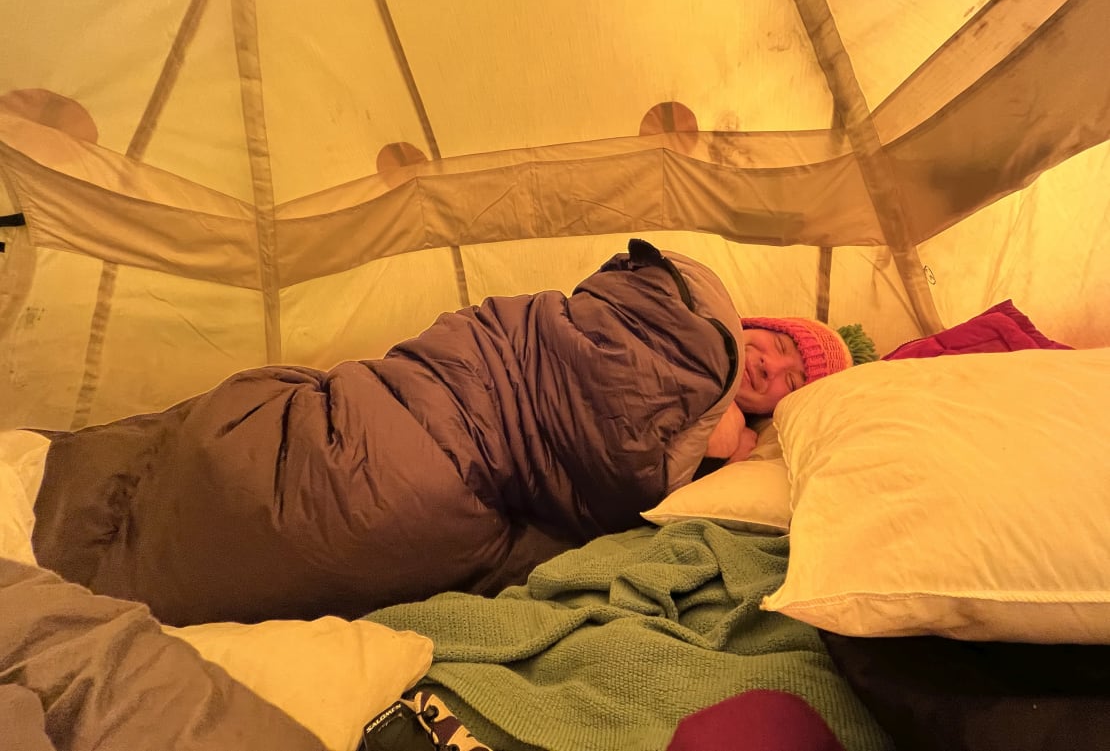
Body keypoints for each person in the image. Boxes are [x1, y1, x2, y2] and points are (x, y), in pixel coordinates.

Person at [30, 239, 871, 627]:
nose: (775, 370)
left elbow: (619, 451)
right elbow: (545, 345)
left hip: (427, 478)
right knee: (270, 426)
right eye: (776, 347)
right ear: (743, 325)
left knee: (317, 496)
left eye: (795, 382)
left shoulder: (716, 430)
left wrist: (731, 424)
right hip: (412, 402)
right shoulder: (679, 316)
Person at [705, 315, 871, 464]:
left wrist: (715, 461)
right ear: (754, 326)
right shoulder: (698, 310)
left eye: (791, 382)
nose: (771, 366)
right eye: (780, 345)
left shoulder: (742, 452)